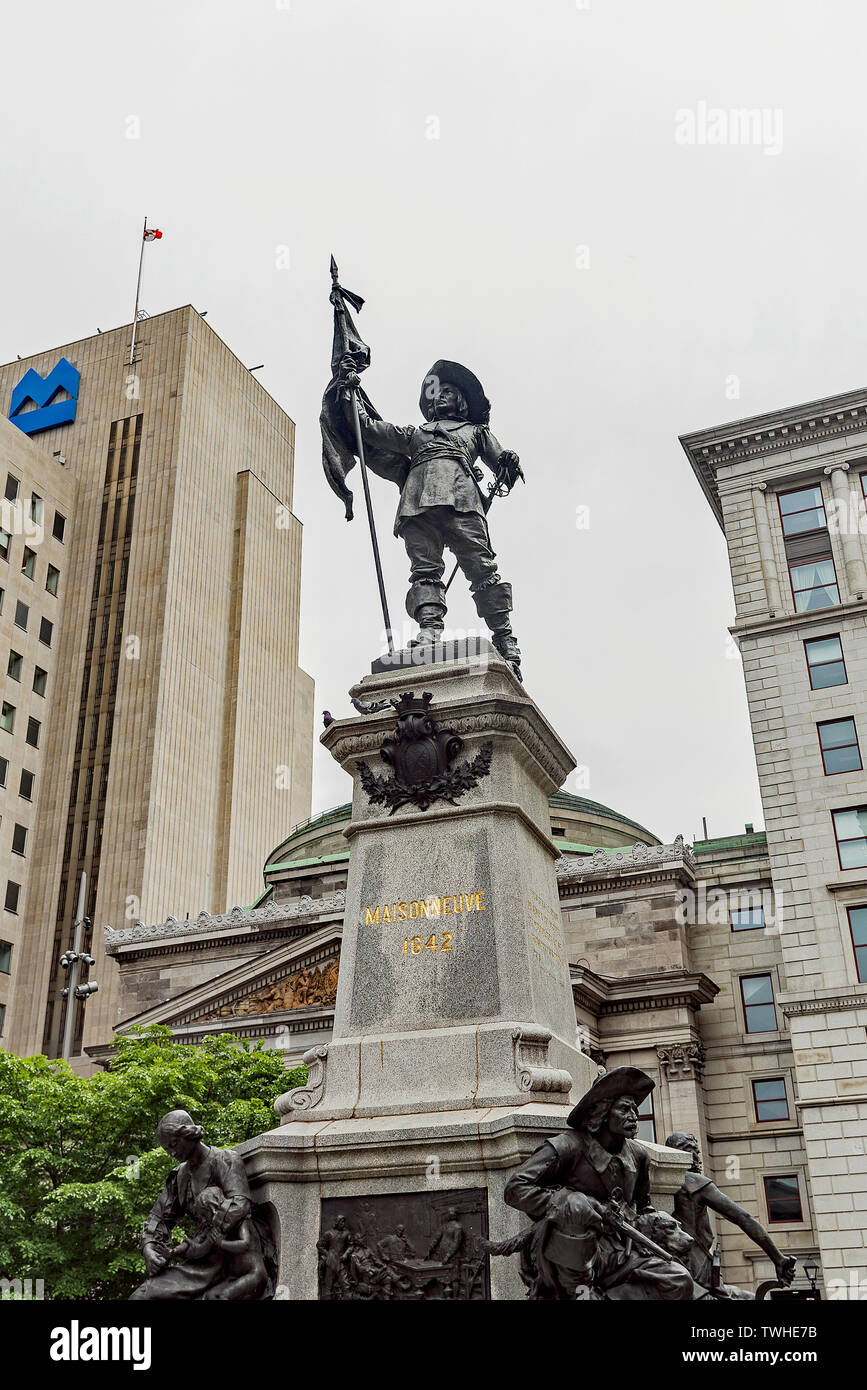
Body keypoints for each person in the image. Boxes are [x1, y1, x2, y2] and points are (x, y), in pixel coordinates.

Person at [342, 358, 524, 678]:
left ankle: (505, 638)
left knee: (482, 569)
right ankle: (429, 630)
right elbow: (370, 430)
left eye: (449, 392)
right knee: (424, 571)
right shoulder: (415, 434)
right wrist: (348, 391)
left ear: (462, 403)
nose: (441, 396)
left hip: (462, 501)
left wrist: (508, 461)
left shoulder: (475, 431)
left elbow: (501, 463)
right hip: (418, 505)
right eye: (439, 393)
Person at [502, 1068, 695, 1300]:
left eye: (635, 1109)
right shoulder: (567, 1146)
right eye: (624, 1109)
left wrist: (654, 1225)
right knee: (575, 1204)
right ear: (602, 1111)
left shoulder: (638, 1155)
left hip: (622, 1249)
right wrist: (570, 1202)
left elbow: (644, 1207)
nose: (634, 1115)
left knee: (678, 1280)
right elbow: (515, 1189)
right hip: (573, 1250)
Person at [129, 1110, 271, 1301]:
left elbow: (240, 1204)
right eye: (166, 1149)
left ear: (189, 1134)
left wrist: (204, 1243)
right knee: (141, 1296)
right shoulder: (180, 1176)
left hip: (231, 1258)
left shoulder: (225, 1160)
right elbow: (159, 1217)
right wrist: (149, 1248)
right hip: (201, 1264)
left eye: (173, 1144)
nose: (172, 1152)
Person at [665, 1131, 797, 1293]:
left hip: (676, 1263)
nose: (698, 1156)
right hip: (696, 1266)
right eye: (692, 1150)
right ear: (680, 1153)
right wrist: (778, 1258)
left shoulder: (667, 1183)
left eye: (697, 1151)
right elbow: (742, 1217)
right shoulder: (695, 1183)